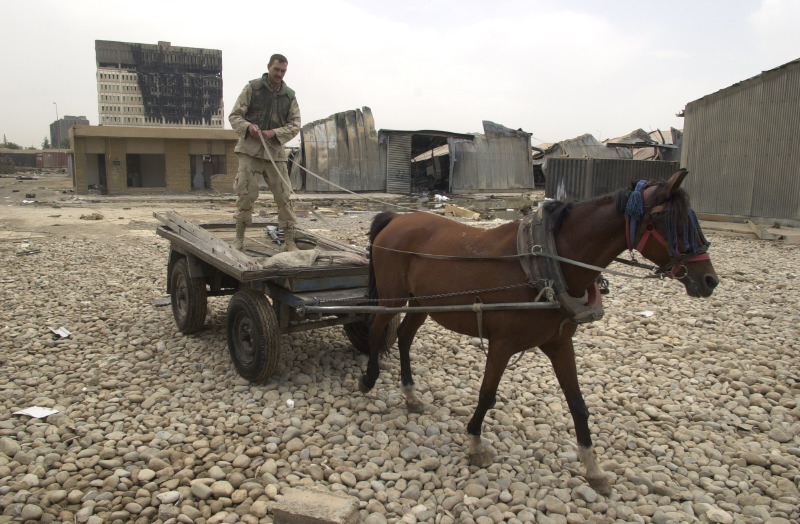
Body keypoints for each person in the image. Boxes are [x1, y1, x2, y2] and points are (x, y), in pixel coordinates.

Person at [228, 53, 301, 251]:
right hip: (250, 151)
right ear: (269, 67)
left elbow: (295, 124)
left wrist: (275, 133)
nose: (279, 74)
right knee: (245, 193)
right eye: (276, 69)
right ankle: (239, 238)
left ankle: (288, 241)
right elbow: (235, 115)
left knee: (284, 196)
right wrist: (248, 127)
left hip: (275, 152)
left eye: (283, 71)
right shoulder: (252, 88)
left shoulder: (289, 95)